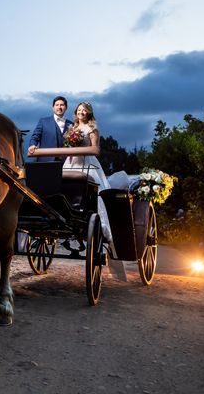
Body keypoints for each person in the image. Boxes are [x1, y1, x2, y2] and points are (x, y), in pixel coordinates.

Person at [62, 101, 127, 280]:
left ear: (89, 113)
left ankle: (97, 222)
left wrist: (77, 148)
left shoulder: (93, 128)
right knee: (60, 184)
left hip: (86, 164)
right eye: (79, 109)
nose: (81, 112)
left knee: (92, 192)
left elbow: (95, 149)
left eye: (85, 110)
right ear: (76, 112)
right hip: (71, 163)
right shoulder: (72, 128)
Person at [28, 96, 74, 162]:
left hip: (66, 162)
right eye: (57, 105)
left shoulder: (72, 125)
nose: (59, 107)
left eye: (62, 105)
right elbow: (35, 137)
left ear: (66, 107)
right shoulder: (43, 122)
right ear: (53, 108)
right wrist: (32, 145)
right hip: (45, 161)